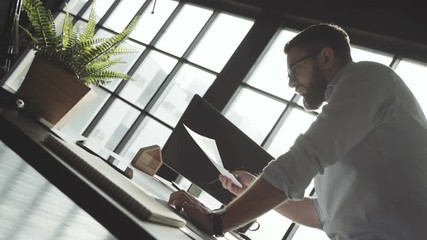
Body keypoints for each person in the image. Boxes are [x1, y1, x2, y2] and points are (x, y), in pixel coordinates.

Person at [169, 23, 427, 239]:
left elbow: (299, 163)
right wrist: (253, 189)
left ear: (326, 58)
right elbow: (320, 214)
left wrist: (218, 221)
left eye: (294, 69)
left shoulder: (369, 79)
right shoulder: (348, 124)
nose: (291, 82)